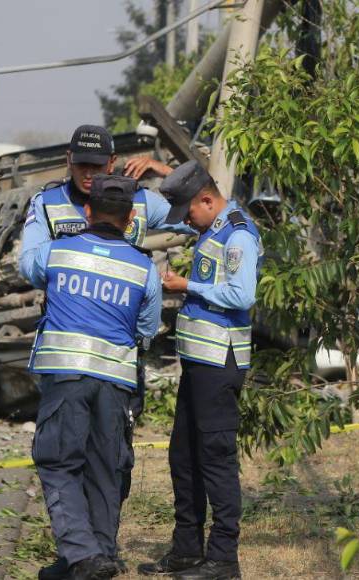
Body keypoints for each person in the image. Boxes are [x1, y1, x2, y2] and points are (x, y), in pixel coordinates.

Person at [24, 175, 162, 580]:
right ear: (130, 217)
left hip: (66, 376)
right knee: (105, 470)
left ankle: (82, 555)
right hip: (116, 383)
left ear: (87, 211)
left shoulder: (55, 253)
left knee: (59, 464)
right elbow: (148, 329)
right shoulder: (144, 269)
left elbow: (27, 266)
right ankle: (99, 556)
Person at [138, 161, 261, 580]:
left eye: (189, 213)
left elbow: (242, 294)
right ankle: (187, 549)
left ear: (207, 201)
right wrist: (163, 169)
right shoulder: (212, 224)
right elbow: (194, 188)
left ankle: (223, 558)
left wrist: (186, 286)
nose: (186, 222)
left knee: (216, 460)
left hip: (220, 363)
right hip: (197, 362)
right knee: (183, 457)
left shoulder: (239, 232)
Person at [19, 124, 191, 282]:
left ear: (111, 162)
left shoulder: (140, 200)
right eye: (82, 164)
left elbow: (204, 220)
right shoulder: (46, 203)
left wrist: (169, 174)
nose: (88, 173)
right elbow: (28, 265)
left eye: (96, 165)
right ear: (69, 160)